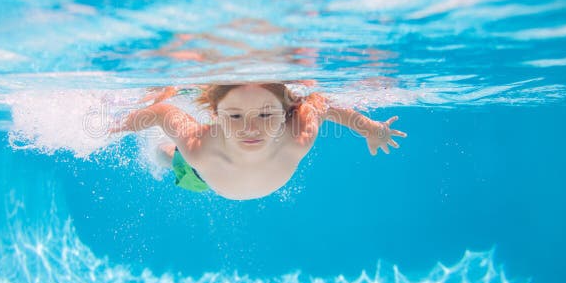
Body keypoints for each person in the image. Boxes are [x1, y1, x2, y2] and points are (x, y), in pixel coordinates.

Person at [110, 83, 406, 200]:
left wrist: (370, 128)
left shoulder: (297, 136)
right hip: (204, 174)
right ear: (214, 115)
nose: (250, 129)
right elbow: (162, 113)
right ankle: (165, 155)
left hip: (214, 173)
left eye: (265, 114)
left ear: (285, 111)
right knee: (168, 156)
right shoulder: (200, 147)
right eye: (235, 116)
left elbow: (324, 105)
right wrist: (118, 126)